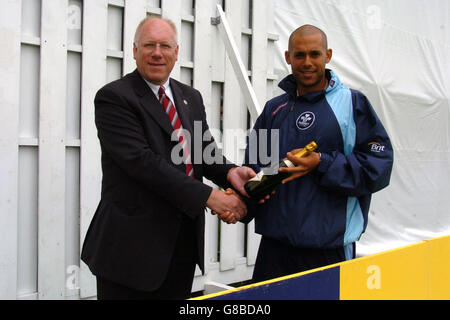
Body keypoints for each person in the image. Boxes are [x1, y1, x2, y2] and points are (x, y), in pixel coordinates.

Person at [81, 16, 256, 300]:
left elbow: (204, 151)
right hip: (130, 253)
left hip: (181, 247)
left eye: (165, 46)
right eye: (149, 45)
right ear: (135, 50)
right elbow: (144, 164)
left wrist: (231, 173)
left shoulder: (191, 97)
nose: (157, 53)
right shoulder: (114, 97)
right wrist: (212, 198)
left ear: (177, 53)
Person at [241, 24, 394, 282]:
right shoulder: (274, 109)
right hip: (274, 250)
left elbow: (378, 167)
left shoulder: (352, 104)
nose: (307, 62)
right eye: (299, 55)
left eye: (315, 54)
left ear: (328, 55)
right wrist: (238, 200)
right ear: (288, 57)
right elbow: (256, 169)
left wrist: (322, 163)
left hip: (328, 250)